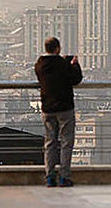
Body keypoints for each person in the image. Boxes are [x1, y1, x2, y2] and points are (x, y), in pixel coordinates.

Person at [35, 37, 82, 187]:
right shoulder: (63, 64)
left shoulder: (40, 64)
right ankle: (64, 177)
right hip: (65, 108)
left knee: (50, 142)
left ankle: (49, 177)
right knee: (66, 143)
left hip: (47, 108)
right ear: (57, 48)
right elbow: (76, 79)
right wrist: (75, 65)